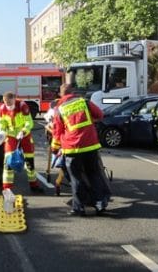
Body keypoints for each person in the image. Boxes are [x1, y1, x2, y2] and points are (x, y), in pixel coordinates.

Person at [53, 84, 110, 216]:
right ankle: (100, 204)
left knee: (76, 177)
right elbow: (100, 115)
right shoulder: (84, 102)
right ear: (73, 92)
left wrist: (55, 148)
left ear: (61, 95)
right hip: (90, 146)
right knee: (94, 174)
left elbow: (57, 131)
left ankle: (79, 208)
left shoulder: (60, 109)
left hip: (72, 148)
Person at [0, 91, 43, 193]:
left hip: (24, 136)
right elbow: (1, 123)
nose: (8, 105)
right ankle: (6, 188)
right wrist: (0, 132)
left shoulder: (22, 106)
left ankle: (34, 184)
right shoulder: (2, 108)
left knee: (29, 161)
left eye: (10, 103)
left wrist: (23, 131)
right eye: (6, 103)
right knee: (8, 162)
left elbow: (29, 122)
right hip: (11, 136)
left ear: (14, 99)